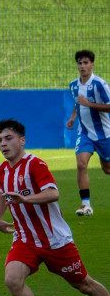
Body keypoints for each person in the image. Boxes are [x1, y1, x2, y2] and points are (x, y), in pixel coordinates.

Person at [0, 118, 110, 296]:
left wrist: (25, 199)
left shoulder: (35, 165)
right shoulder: (1, 170)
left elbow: (53, 193)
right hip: (25, 238)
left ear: (22, 140)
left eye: (9, 138)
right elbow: (3, 192)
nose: (3, 144)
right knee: (12, 280)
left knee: (84, 285)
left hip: (55, 241)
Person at [66, 50, 110, 216]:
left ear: (92, 64)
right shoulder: (73, 85)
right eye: (80, 63)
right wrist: (72, 118)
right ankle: (86, 205)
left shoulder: (100, 84)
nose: (82, 66)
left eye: (85, 63)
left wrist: (89, 104)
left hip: (104, 134)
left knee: (107, 169)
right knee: (81, 164)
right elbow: (77, 104)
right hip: (84, 133)